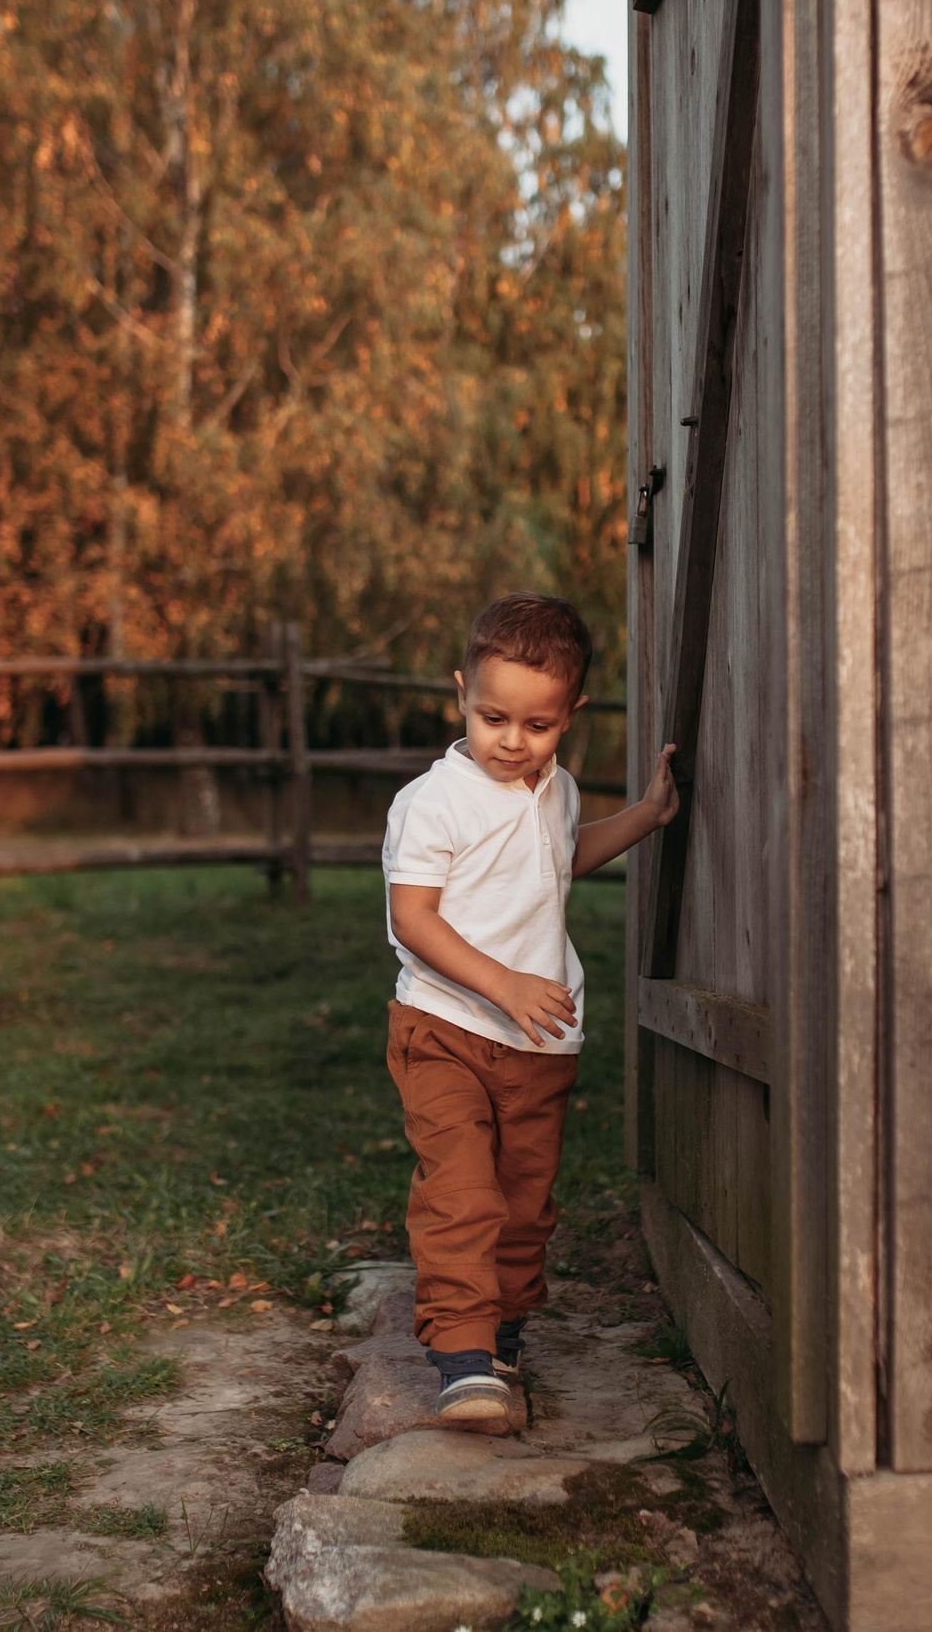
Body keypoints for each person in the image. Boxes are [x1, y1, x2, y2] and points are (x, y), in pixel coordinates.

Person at [380, 592, 680, 1423]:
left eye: (538, 725)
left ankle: (505, 1336)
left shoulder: (557, 788)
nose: (513, 740)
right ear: (461, 692)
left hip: (539, 1044)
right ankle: (463, 1356)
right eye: (493, 717)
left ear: (570, 713)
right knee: (462, 1190)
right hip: (444, 1028)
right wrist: (504, 983)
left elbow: (559, 857)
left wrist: (648, 816)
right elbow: (413, 917)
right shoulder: (434, 802)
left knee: (524, 1199)